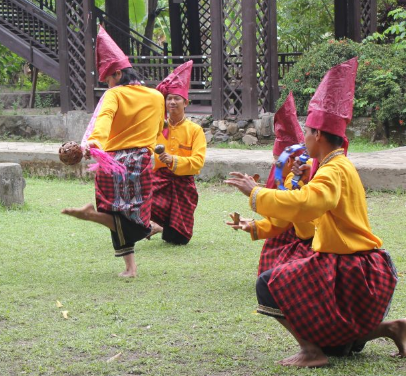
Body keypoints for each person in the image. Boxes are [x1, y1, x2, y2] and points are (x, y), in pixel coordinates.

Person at [225, 57, 405, 367]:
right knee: (337, 342)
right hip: (348, 261)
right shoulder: (331, 167)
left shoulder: (333, 170)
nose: (303, 139)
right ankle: (392, 328)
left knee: (267, 283)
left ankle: (310, 352)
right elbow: (303, 212)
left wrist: (254, 193)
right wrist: (256, 223)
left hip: (349, 266)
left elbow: (307, 204)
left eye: (307, 132)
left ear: (318, 135)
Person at [61, 26, 164, 277]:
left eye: (108, 78)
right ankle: (134, 259)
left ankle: (140, 231)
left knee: (114, 212)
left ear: (118, 73)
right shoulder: (156, 96)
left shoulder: (114, 94)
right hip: (143, 161)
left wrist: (94, 143)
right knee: (131, 212)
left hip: (113, 163)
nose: (107, 84)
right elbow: (159, 128)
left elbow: (104, 119)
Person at [229, 92, 315, 275]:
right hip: (285, 227)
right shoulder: (285, 178)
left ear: (291, 160)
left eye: (278, 161)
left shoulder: (310, 174)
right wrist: (251, 225)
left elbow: (287, 208)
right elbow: (277, 218)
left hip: (312, 240)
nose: (274, 165)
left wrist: (256, 192)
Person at [148, 60, 206, 245]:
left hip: (183, 182)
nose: (172, 102)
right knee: (139, 206)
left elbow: (198, 162)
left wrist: (173, 160)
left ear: (185, 102)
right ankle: (154, 223)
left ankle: (161, 228)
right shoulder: (157, 127)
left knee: (179, 239)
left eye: (177, 98)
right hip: (159, 180)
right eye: (169, 98)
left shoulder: (195, 130)